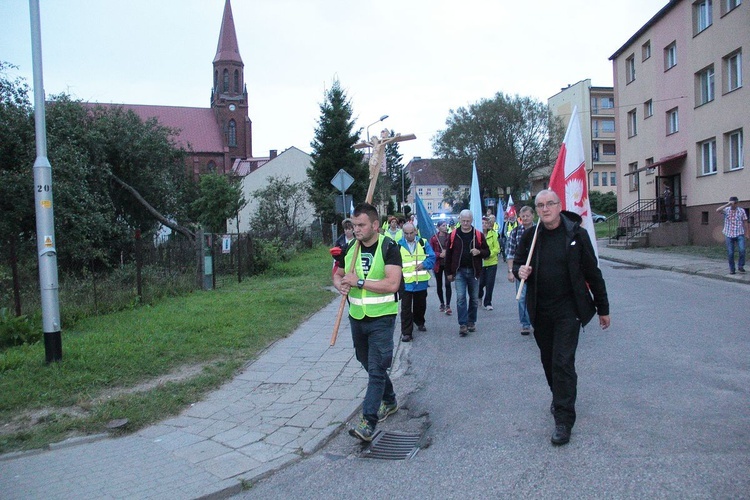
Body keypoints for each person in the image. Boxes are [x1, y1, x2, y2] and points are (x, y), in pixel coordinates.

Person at [514, 190, 610, 446]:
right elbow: (517, 265)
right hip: (540, 310)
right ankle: (559, 396)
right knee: (548, 361)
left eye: (550, 204)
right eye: (540, 205)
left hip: (569, 310)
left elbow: (593, 271)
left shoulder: (576, 234)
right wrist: (520, 270)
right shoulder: (531, 236)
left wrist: (603, 308)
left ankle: (564, 419)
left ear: (559, 206)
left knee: (563, 361)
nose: (545, 209)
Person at [333, 203, 402, 442]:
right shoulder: (350, 247)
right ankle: (390, 399)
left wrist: (359, 283)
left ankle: (367, 421)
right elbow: (338, 274)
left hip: (382, 317)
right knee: (365, 360)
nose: (356, 229)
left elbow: (392, 284)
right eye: (353, 225)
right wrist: (340, 284)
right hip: (357, 317)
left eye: (361, 225)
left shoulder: (389, 247)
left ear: (375, 225)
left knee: (376, 368)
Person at [445, 209, 490, 337]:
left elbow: (488, 252)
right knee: (460, 298)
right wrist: (449, 272)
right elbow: (448, 255)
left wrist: (479, 252)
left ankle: (471, 321)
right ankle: (463, 324)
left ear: (471, 221)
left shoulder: (478, 235)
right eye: (463, 220)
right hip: (459, 272)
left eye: (468, 221)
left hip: (474, 272)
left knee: (474, 298)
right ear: (459, 220)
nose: (465, 223)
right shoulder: (454, 235)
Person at [397, 223, 436, 342]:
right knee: (406, 309)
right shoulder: (398, 245)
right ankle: (407, 332)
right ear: (403, 233)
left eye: (411, 233)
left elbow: (432, 257)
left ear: (415, 231)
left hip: (421, 282)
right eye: (406, 233)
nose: (409, 236)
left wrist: (424, 264)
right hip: (406, 283)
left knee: (420, 305)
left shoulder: (423, 243)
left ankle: (419, 321)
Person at [506, 206, 536, 335]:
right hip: (521, 269)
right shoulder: (515, 232)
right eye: (523, 216)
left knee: (538, 297)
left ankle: (538, 322)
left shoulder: (540, 230)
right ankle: (525, 323)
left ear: (533, 216)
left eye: (527, 216)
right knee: (522, 297)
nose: (525, 218)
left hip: (538, 268)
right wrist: (511, 271)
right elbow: (510, 253)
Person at [716, 196, 748, 274]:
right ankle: (732, 269)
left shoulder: (741, 211)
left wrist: (747, 232)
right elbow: (717, 210)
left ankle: (740, 266)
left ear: (737, 203)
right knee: (730, 252)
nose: (734, 205)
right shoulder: (726, 210)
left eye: (736, 203)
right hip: (729, 234)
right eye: (733, 203)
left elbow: (745, 221)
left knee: (742, 250)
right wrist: (728, 204)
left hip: (739, 233)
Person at [430, 220, 453, 315]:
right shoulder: (434, 238)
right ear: (438, 227)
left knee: (448, 284)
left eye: (445, 225)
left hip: (448, 264)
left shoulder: (450, 237)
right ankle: (442, 303)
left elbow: (453, 248)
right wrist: (439, 254)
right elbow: (431, 252)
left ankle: (448, 304)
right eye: (443, 225)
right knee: (439, 285)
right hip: (438, 264)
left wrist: (447, 253)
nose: (445, 227)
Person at [478, 216, 500, 310]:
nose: (484, 225)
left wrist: (489, 254)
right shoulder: (477, 235)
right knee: (480, 283)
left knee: (489, 283)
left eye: (486, 223)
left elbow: (497, 248)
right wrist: (482, 255)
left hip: (492, 262)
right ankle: (479, 296)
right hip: (481, 263)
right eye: (482, 223)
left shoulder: (493, 234)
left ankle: (488, 303)